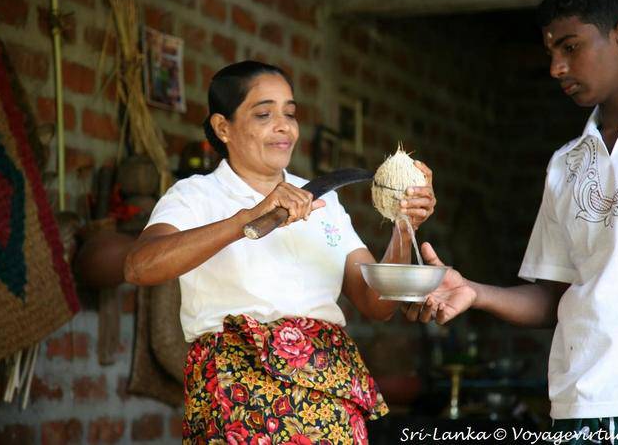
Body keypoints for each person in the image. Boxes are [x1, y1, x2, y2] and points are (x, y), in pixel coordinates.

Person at [124, 60, 436, 444]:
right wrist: (248, 218)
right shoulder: (195, 196)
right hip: (238, 398)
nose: (284, 126)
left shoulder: (325, 201)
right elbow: (140, 267)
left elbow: (377, 303)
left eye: (290, 113)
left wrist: (405, 224)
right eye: (263, 114)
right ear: (224, 127)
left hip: (329, 397)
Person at [405, 0, 618, 441]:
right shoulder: (565, 164)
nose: (556, 68)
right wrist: (473, 291)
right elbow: (554, 296)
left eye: (570, 47)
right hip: (578, 406)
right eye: (550, 52)